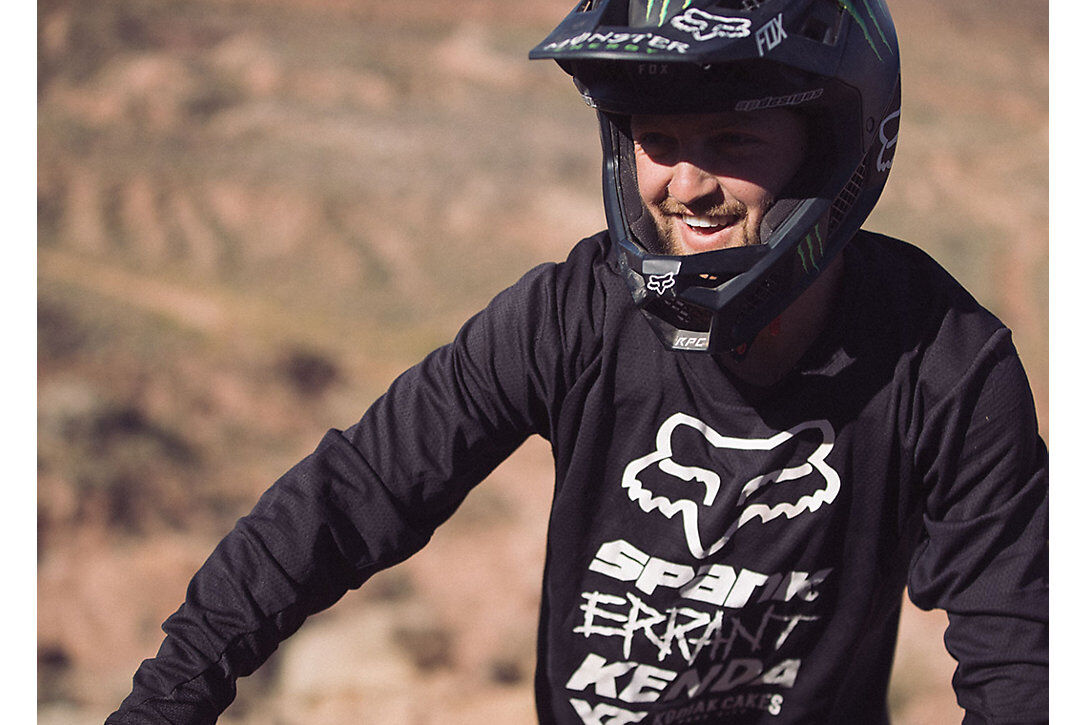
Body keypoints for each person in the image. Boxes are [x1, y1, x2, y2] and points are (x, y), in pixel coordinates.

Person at [107, 0, 1048, 723]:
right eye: (656, 140)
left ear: (830, 147)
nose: (686, 184)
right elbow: (352, 494)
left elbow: (1020, 654)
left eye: (732, 139)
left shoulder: (944, 361)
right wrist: (167, 699)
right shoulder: (571, 314)